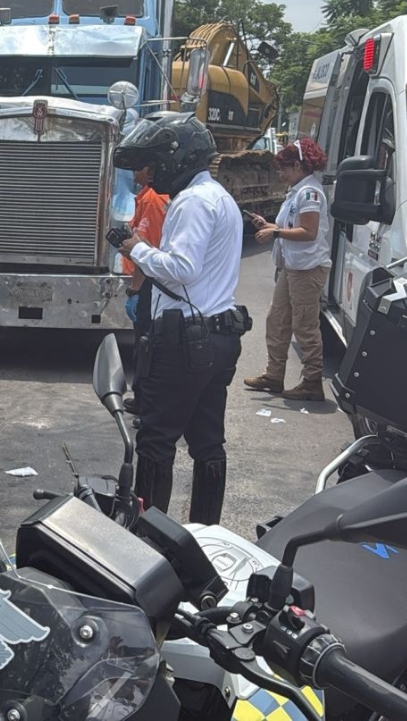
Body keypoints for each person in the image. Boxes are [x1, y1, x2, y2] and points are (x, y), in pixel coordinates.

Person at [113, 112, 248, 525]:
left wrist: (134, 246)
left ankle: (149, 540)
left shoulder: (192, 202)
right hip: (217, 334)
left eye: (154, 163)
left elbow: (182, 268)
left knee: (155, 441)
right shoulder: (218, 197)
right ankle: (206, 534)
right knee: (208, 444)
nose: (149, 174)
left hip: (185, 341)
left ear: (179, 158)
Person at [243, 138, 332, 401]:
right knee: (277, 320)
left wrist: (276, 231)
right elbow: (294, 225)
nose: (280, 174)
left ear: (298, 165)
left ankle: (312, 381)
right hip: (292, 267)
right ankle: (274, 375)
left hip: (307, 268)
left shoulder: (309, 193)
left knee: (305, 325)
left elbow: (309, 232)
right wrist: (269, 225)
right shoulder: (297, 191)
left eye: (283, 168)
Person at [121, 166, 170, 414]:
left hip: (148, 282)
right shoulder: (151, 196)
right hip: (155, 280)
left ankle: (144, 400)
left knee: (145, 345)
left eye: (138, 165)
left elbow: (145, 251)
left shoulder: (152, 200)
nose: (132, 170)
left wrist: (135, 289)